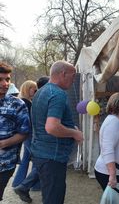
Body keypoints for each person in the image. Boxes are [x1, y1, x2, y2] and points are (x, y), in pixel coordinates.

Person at [30, 61, 84, 204]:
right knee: (54, 199)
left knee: (49, 196)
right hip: (53, 158)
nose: (73, 81)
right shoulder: (58, 94)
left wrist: (70, 127)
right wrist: (74, 133)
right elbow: (52, 127)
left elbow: (43, 123)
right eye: (73, 77)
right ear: (63, 74)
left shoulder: (40, 92)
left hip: (41, 154)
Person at [13, 77, 49, 203]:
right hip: (29, 135)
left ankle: (19, 183)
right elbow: (30, 121)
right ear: (28, 89)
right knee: (39, 160)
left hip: (27, 135)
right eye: (34, 89)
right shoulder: (26, 102)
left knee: (27, 160)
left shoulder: (24, 101)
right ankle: (27, 185)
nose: (36, 90)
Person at [0, 62, 30, 201]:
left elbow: (24, 132)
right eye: (0, 79)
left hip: (5, 164)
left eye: (7, 79)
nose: (5, 83)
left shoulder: (18, 104)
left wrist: (3, 143)